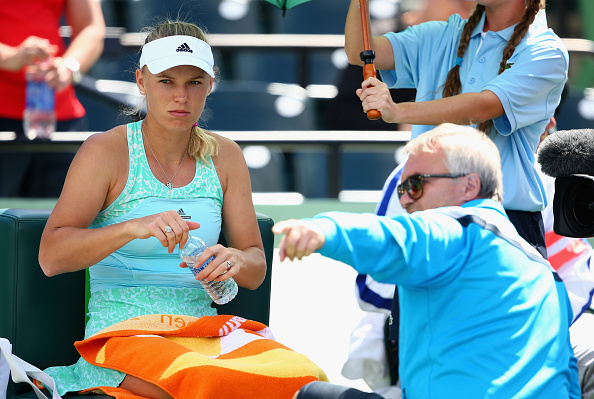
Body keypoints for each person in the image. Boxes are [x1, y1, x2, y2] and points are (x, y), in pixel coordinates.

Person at [36, 20, 274, 398]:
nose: (181, 96)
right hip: (122, 334)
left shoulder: (226, 155)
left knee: (298, 375)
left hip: (202, 334)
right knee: (205, 384)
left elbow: (255, 266)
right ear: (142, 82)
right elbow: (51, 256)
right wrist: (133, 227)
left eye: (194, 82)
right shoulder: (105, 150)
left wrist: (233, 261)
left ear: (210, 85)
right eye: (167, 81)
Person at [273, 123, 580, 399]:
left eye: (416, 184)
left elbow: (394, 238)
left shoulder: (457, 231)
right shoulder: (547, 273)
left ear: (469, 186)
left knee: (309, 393)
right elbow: (568, 380)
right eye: (401, 188)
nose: (405, 199)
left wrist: (324, 230)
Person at [345, 0, 568, 257]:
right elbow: (358, 51)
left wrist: (397, 111)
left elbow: (482, 106)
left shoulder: (546, 50)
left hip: (505, 227)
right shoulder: (443, 33)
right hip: (429, 220)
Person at [0, 0, 105, 197]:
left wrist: (69, 66)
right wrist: (9, 57)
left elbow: (92, 27)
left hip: (60, 120)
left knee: (67, 222)